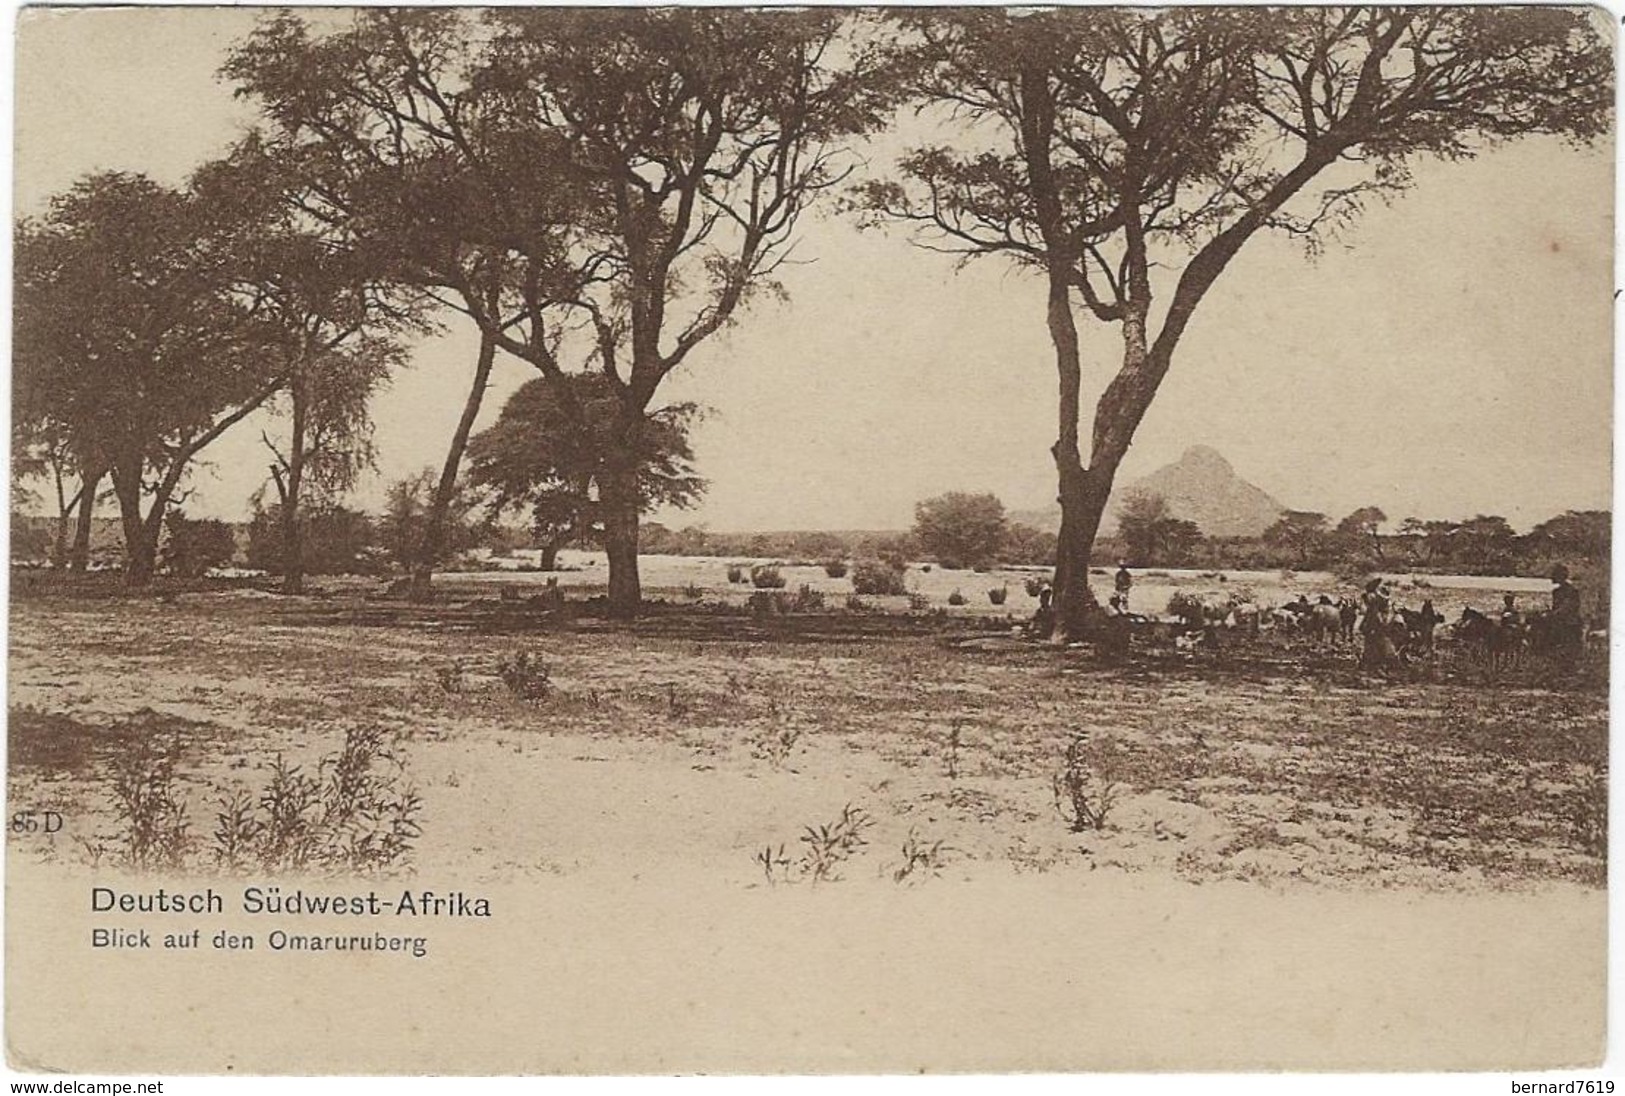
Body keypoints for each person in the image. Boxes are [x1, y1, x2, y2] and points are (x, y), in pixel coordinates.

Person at [1551, 564, 1584, 660]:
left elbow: (1569, 606)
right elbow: (1556, 607)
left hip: (1570, 622)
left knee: (1568, 645)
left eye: (1555, 575)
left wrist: (1556, 613)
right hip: (1560, 620)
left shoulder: (1571, 590)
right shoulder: (1556, 591)